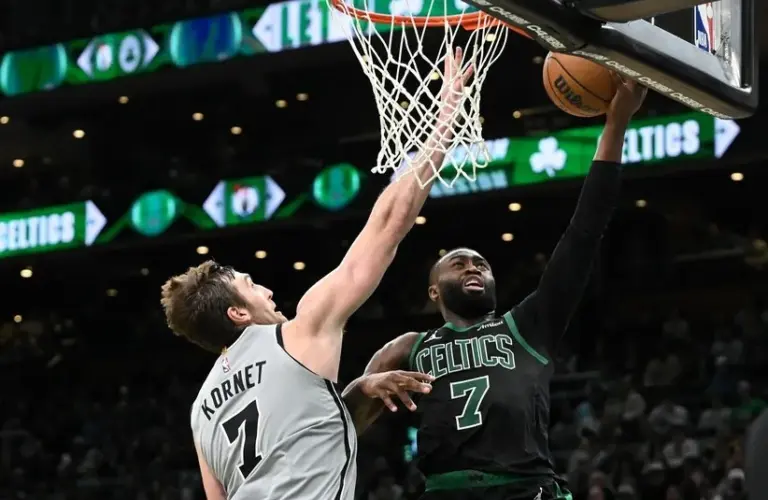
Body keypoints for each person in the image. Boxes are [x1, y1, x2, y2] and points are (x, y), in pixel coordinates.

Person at [159, 48, 473, 500]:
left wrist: (360, 391)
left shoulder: (200, 410)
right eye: (251, 286)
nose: (267, 290)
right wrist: (445, 117)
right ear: (238, 313)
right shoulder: (298, 334)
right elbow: (386, 227)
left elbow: (287, 448)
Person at [342, 77, 647, 500]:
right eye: (459, 263)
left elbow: (585, 231)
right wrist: (361, 388)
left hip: (525, 489)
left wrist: (616, 122)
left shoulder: (528, 325)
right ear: (433, 292)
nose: (474, 267)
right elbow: (341, 425)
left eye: (482, 264)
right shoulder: (407, 347)